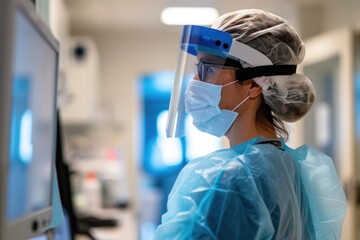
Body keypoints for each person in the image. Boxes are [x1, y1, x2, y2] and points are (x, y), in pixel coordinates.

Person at [155, 9, 347, 240]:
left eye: (208, 68)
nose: (195, 82)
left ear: (254, 85)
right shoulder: (289, 167)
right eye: (197, 69)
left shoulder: (231, 178)